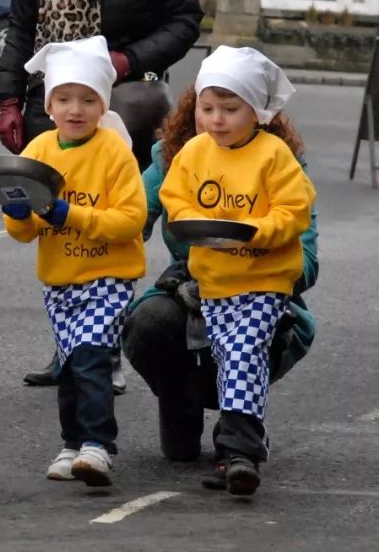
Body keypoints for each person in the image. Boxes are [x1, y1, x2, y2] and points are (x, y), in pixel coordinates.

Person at [0, 0, 202, 387]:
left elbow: (185, 23)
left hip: (124, 103)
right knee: (55, 223)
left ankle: (101, 348)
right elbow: (20, 28)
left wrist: (125, 60)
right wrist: (10, 97)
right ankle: (71, 344)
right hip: (53, 103)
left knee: (111, 221)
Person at [122, 83, 317, 479]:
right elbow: (130, 218)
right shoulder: (178, 155)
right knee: (151, 321)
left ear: (258, 113)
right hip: (196, 284)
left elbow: (307, 260)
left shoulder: (280, 159)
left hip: (263, 287)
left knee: (243, 349)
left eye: (229, 109)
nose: (215, 119)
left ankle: (240, 438)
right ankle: (187, 405)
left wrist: (252, 242)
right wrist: (63, 213)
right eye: (206, 108)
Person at [2, 36, 145, 487]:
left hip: (108, 275)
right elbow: (21, 230)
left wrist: (70, 214)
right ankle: (71, 444)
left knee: (89, 356)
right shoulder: (39, 150)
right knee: (68, 364)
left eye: (87, 99)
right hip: (59, 278)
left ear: (103, 105)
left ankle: (99, 445)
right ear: (49, 104)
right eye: (63, 98)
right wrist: (19, 213)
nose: (75, 109)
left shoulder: (114, 152)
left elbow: (130, 219)